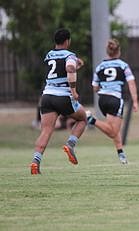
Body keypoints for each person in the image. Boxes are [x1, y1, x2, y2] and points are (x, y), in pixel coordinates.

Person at [30, 28, 87, 174]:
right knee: (82, 118)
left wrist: (75, 66)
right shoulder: (70, 55)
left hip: (47, 96)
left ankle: (35, 161)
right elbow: (68, 68)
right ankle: (70, 144)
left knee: (46, 130)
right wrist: (73, 91)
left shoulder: (49, 55)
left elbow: (60, 70)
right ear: (68, 41)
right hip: (63, 96)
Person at [86, 38, 138, 165]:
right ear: (118, 51)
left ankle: (121, 155)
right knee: (113, 131)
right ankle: (91, 120)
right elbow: (131, 83)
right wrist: (135, 101)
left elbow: (95, 88)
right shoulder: (123, 65)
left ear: (107, 52)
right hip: (115, 99)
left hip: (102, 99)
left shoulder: (99, 67)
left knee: (113, 128)